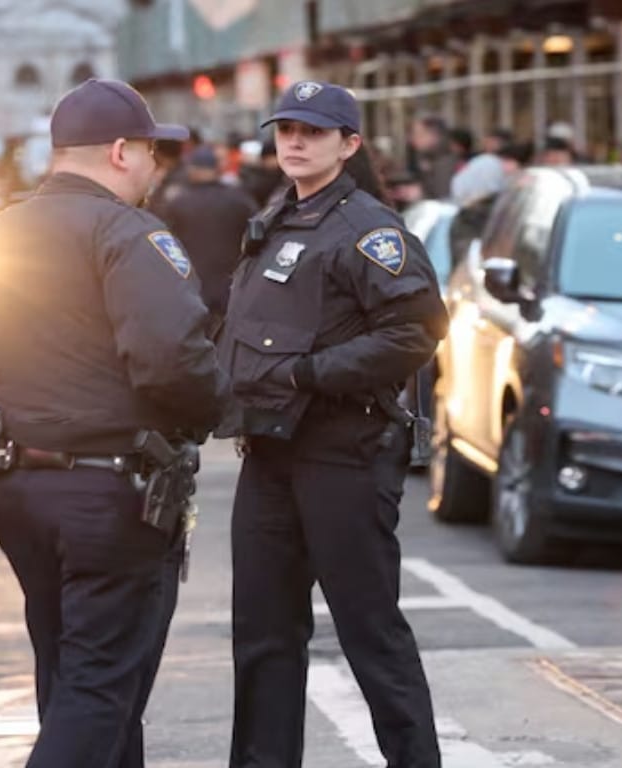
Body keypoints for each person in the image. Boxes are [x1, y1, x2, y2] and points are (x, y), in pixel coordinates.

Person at [0, 78, 226, 768]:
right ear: (121, 152)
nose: (157, 170)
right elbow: (173, 360)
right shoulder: (129, 232)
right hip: (113, 493)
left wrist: (35, 417)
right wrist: (215, 412)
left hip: (20, 489)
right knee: (100, 689)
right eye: (154, 154)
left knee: (69, 681)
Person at [216, 80, 447, 768]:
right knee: (261, 635)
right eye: (285, 127)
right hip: (270, 452)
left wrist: (308, 373)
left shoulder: (369, 230)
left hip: (342, 449)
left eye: (312, 131)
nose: (293, 140)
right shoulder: (278, 215)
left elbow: (416, 331)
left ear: (348, 145)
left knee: (370, 633)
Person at [156, 144, 257, 321]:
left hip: (191, 287)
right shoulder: (239, 198)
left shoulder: (177, 202)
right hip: (231, 285)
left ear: (193, 169)